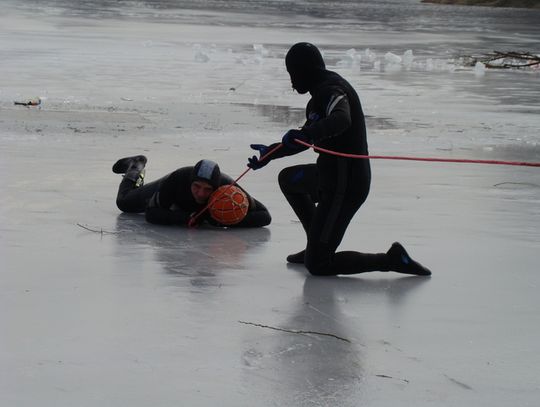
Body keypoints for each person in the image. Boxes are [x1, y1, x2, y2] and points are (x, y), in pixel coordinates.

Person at [246, 42, 431, 276]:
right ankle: (314, 242)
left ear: (305, 70)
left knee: (318, 265)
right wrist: (271, 154)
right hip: (329, 174)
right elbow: (306, 139)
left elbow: (342, 119)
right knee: (289, 179)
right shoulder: (317, 99)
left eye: (293, 74)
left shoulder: (333, 90)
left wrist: (307, 134)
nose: (292, 82)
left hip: (347, 184)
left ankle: (391, 259)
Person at [113, 155, 271, 228]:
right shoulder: (177, 180)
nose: (201, 193)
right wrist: (184, 218)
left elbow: (264, 216)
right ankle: (136, 165)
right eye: (197, 187)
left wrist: (219, 219)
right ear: (190, 182)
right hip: (173, 193)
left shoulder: (228, 188)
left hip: (197, 210)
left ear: (216, 188)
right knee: (124, 203)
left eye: (207, 189)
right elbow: (151, 213)